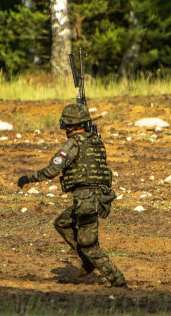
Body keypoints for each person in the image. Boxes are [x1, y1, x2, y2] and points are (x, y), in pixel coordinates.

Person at [17, 102, 126, 288]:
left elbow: (52, 169)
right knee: (62, 223)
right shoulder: (96, 141)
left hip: (87, 200)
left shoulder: (73, 143)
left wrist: (28, 178)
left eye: (66, 125)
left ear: (72, 126)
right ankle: (87, 261)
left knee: (89, 245)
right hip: (97, 198)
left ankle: (117, 279)